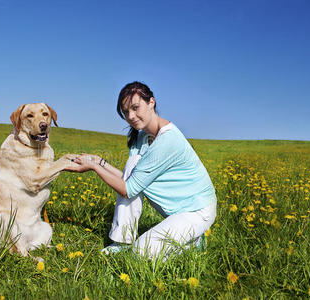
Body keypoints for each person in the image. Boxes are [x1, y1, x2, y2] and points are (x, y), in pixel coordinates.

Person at [65, 81, 217, 260]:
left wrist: (94, 166)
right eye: (126, 112)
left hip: (196, 210)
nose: (131, 116)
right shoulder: (143, 136)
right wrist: (99, 161)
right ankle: (122, 241)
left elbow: (128, 190)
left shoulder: (167, 140)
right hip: (176, 209)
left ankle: (193, 243)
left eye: (135, 108)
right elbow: (130, 179)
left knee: (141, 254)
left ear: (151, 102)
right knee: (133, 162)